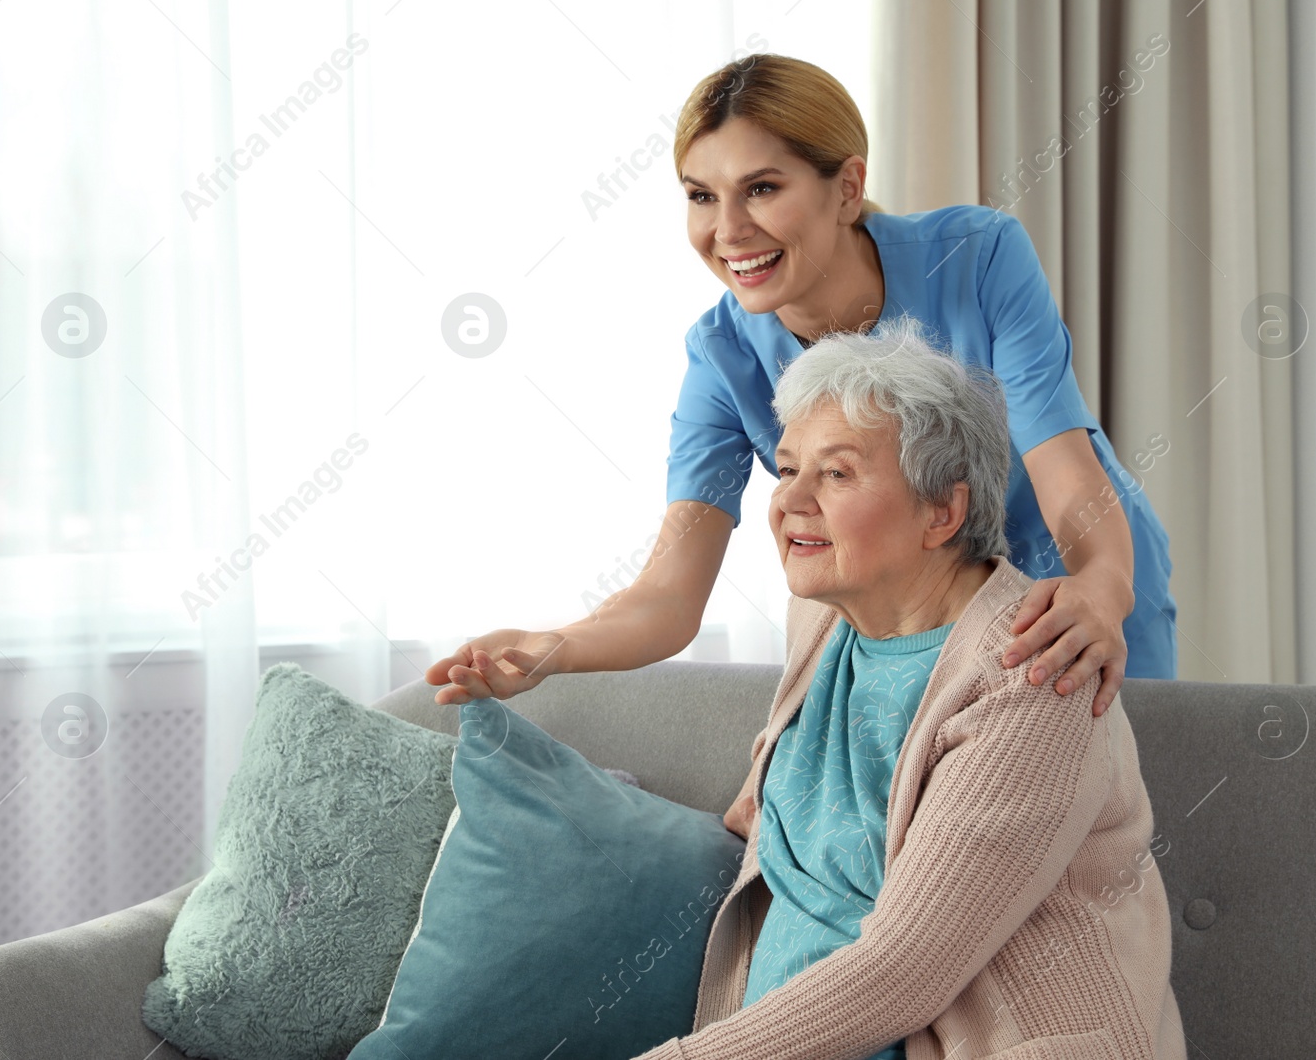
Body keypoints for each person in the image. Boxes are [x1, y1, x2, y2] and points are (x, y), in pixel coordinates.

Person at [427, 54, 1175, 744]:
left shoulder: (977, 257)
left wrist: (1103, 585)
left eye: (761, 188)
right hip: (905, 612)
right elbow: (669, 591)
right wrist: (553, 646)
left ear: (847, 188)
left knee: (1110, 828)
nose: (727, 230)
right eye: (700, 196)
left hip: (1070, 566)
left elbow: (1065, 468)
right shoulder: (723, 357)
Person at [630, 317, 1185, 1060]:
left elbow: (902, 969)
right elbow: (810, 788)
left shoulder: (1034, 673)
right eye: (787, 467)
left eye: (836, 472)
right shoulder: (825, 615)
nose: (792, 499)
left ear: (943, 512)